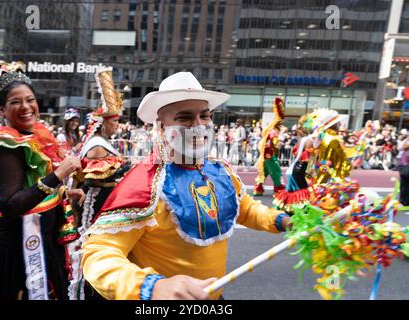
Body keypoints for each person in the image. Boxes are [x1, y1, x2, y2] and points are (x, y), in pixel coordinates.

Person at [81, 71, 291, 300]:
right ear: (161, 127)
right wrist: (150, 287)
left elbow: (246, 209)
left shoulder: (220, 171)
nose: (198, 126)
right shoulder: (145, 184)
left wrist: (281, 221)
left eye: (205, 116)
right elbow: (98, 253)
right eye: (185, 118)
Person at [0, 61, 84, 300]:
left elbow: (33, 188)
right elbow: (11, 203)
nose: (26, 107)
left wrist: (62, 194)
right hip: (13, 255)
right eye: (15, 102)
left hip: (39, 246)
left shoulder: (34, 137)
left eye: (30, 99)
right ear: (2, 110)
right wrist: (58, 175)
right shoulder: (3, 146)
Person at [67, 68, 131, 300]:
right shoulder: (96, 144)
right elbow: (95, 177)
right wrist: (123, 170)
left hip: (106, 201)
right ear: (103, 123)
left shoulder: (103, 142)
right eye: (115, 121)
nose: (118, 125)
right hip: (95, 202)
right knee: (91, 243)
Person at [253, 98, 285, 196]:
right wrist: (281, 139)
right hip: (270, 155)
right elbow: (276, 143)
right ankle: (278, 189)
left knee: (264, 171)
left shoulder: (269, 129)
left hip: (265, 155)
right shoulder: (274, 131)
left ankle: (258, 188)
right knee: (276, 172)